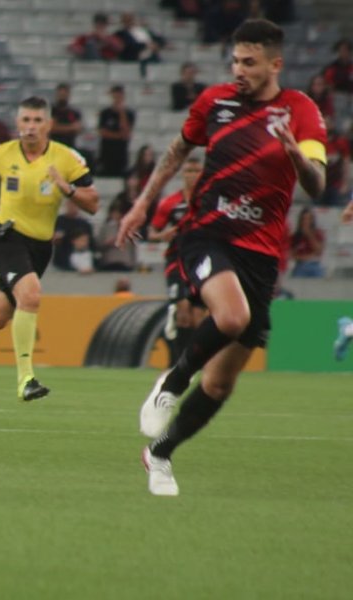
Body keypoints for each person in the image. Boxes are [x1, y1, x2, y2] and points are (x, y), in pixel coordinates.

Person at [116, 20, 328, 497]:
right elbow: (176, 152)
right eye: (235, 61)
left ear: (276, 64)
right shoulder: (214, 102)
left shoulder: (301, 111)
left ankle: (160, 454)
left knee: (218, 386)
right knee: (231, 317)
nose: (239, 71)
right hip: (207, 233)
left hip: (261, 255)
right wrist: (142, 203)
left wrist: (295, 152)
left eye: (249, 63)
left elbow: (316, 184)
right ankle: (170, 382)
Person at [0, 96, 99, 401]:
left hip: (40, 247)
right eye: (25, 120)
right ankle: (26, 379)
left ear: (49, 125)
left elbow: (93, 203)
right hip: (5, 238)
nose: (31, 127)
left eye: (38, 121)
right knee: (31, 294)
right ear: (17, 123)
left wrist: (67, 189)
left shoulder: (66, 159)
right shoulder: (1, 154)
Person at [147, 157, 206, 365]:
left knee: (198, 315)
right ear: (183, 174)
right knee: (183, 311)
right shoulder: (170, 203)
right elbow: (152, 232)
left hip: (202, 262)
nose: (192, 176)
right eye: (188, 171)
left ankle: (196, 360)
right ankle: (180, 362)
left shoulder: (210, 201)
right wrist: (163, 235)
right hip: (177, 261)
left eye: (196, 171)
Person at [97, 85, 135, 176]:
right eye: (115, 96)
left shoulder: (129, 114)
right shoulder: (105, 113)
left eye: (119, 96)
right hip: (107, 152)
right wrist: (119, 136)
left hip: (121, 153)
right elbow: (103, 133)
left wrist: (122, 113)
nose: (117, 99)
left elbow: (126, 133)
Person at [51, 201, 93, 271]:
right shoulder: (59, 221)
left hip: (81, 255)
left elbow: (91, 242)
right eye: (70, 205)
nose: (72, 207)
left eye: (75, 205)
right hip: (62, 258)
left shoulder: (84, 223)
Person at [96, 199, 136, 271]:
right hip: (108, 263)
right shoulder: (105, 228)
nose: (117, 215)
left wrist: (133, 264)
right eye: (114, 213)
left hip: (125, 263)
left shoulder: (130, 229)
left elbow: (133, 248)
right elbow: (98, 246)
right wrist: (107, 244)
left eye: (119, 213)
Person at [321, 116, 350, 206]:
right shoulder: (318, 142)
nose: (326, 126)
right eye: (324, 124)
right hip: (320, 183)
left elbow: (346, 162)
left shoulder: (340, 142)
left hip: (336, 184)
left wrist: (345, 183)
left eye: (328, 124)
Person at [289, 208, 325, 278]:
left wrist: (309, 235)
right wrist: (305, 257)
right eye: (304, 219)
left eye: (309, 219)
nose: (306, 222)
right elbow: (291, 254)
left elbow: (319, 251)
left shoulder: (317, 234)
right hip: (300, 265)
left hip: (315, 265)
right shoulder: (295, 236)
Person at [49, 83, 84, 150]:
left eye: (65, 94)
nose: (63, 96)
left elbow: (78, 128)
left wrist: (59, 127)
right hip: (53, 147)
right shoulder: (51, 111)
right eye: (61, 94)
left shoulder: (74, 112)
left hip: (69, 147)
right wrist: (70, 128)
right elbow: (51, 128)